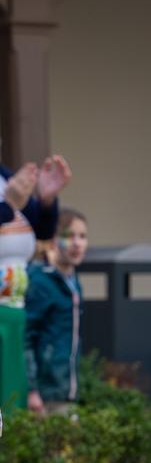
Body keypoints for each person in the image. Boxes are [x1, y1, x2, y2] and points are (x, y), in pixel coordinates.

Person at [24, 208, 87, 414]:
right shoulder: (40, 280)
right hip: (44, 394)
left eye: (82, 236)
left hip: (67, 389)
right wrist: (31, 389)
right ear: (52, 240)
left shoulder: (73, 282)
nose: (77, 243)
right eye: (68, 236)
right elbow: (26, 338)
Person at [0, 155, 69, 308]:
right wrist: (8, 206)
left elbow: (43, 231)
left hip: (15, 305)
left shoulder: (4, 177)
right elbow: (10, 206)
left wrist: (46, 200)